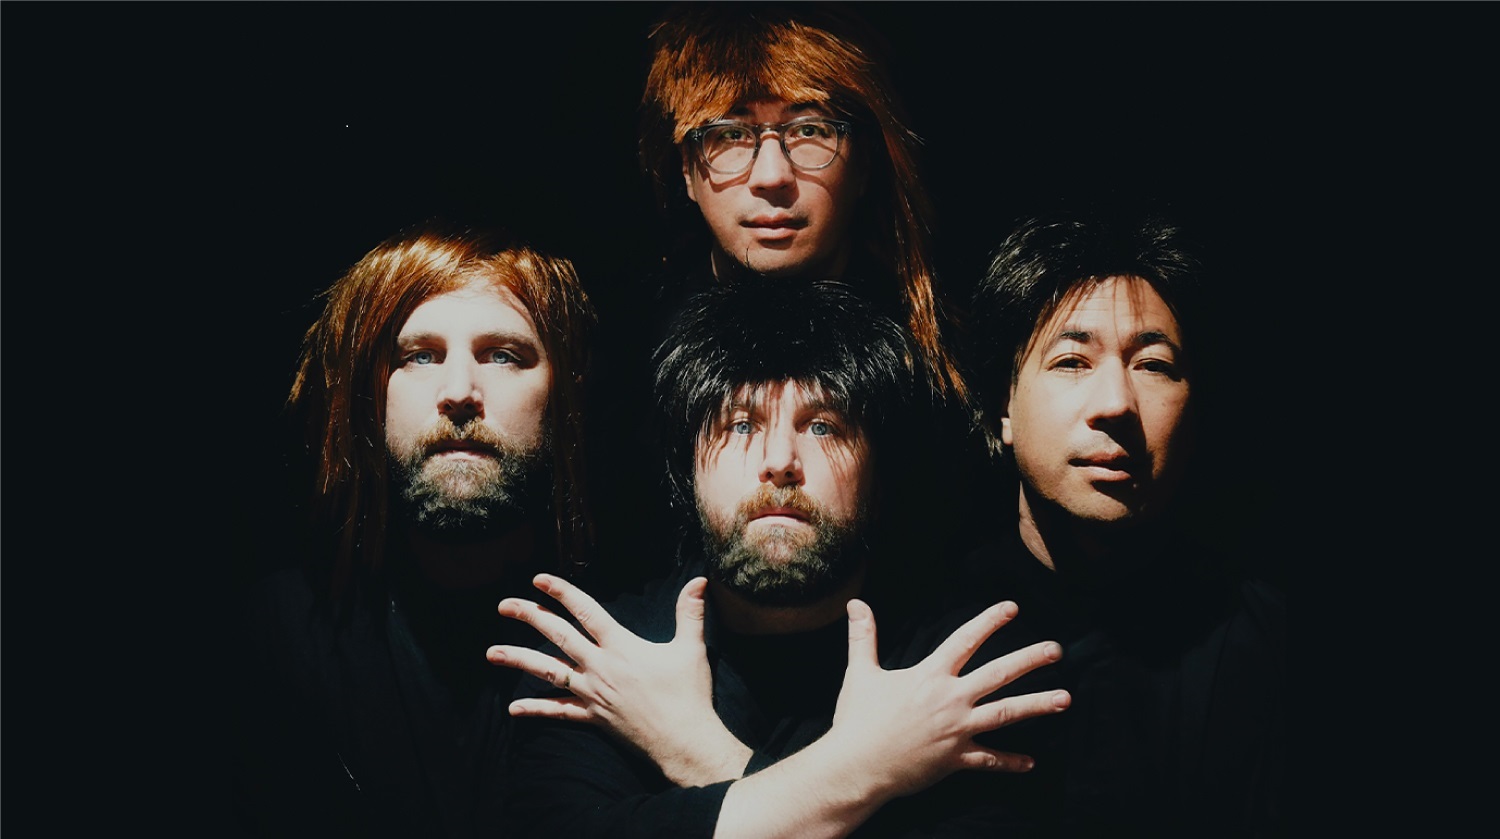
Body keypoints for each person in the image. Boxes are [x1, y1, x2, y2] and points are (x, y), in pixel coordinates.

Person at [489, 279, 1071, 838]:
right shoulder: (603, 661)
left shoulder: (959, 673)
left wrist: (694, 749)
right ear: (686, 468)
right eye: (740, 424)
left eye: (823, 426)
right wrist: (869, 771)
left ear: (878, 471)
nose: (779, 460)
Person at [594, 0, 983, 594]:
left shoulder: (945, 364)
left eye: (810, 130)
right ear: (686, 172)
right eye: (728, 134)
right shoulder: (625, 362)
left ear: (864, 162)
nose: (771, 174)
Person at [232, 224, 596, 837]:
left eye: (503, 355)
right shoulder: (277, 636)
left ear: (563, 390)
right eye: (419, 356)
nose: (459, 393)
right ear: (365, 392)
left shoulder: (630, 638)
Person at [937, 207, 1285, 834]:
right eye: (1072, 361)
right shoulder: (921, 636)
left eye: (1153, 365)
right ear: (1001, 408)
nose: (1117, 404)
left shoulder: (1267, 647)